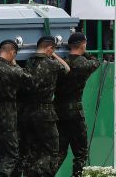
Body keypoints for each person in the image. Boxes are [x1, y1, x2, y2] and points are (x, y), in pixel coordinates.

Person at [20, 35, 70, 176]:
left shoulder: (28, 62)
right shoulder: (52, 64)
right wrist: (54, 55)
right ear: (49, 49)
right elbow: (67, 68)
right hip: (45, 112)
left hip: (27, 112)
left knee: (32, 149)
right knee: (52, 150)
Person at [54, 33, 100, 177]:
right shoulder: (85, 64)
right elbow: (96, 61)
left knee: (59, 152)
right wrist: (84, 52)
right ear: (83, 45)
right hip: (75, 113)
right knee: (80, 153)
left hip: (57, 110)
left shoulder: (60, 63)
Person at [0, 40, 32, 177]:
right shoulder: (13, 70)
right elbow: (29, 81)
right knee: (11, 154)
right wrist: (16, 64)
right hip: (7, 115)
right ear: (12, 52)